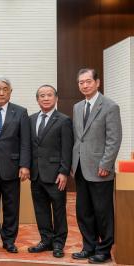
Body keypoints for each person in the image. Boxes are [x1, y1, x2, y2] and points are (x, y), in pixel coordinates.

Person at [71, 68, 122, 264]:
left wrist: (106, 164)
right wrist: (73, 163)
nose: (84, 85)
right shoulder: (77, 107)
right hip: (81, 168)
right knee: (83, 211)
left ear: (97, 82)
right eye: (81, 82)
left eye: (88, 81)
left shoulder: (110, 106)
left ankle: (104, 250)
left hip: (101, 169)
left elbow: (114, 139)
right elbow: (78, 138)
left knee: (103, 212)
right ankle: (88, 246)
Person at [0, 77, 31, 254]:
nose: (1, 92)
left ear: (10, 91)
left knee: (11, 207)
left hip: (12, 167)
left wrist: (25, 165)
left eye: (5, 89)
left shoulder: (21, 112)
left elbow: (25, 141)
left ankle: (9, 240)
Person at [27, 85, 73, 258]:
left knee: (59, 210)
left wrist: (64, 171)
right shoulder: (30, 119)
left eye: (49, 95)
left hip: (56, 175)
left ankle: (59, 243)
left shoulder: (63, 120)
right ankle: (46, 240)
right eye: (42, 95)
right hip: (36, 173)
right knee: (41, 209)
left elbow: (67, 148)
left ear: (56, 98)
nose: (45, 98)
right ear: (37, 99)